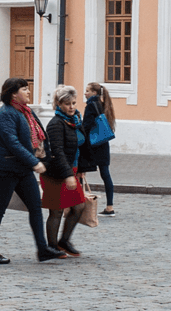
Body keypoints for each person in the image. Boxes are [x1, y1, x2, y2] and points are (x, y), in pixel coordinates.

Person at [0, 77, 64, 264]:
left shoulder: (26, 112)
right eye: (25, 89)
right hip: (4, 169)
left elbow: (38, 138)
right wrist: (34, 163)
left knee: (35, 207)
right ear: (13, 94)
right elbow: (13, 144)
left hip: (22, 169)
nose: (28, 92)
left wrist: (44, 158)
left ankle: (42, 249)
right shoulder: (6, 114)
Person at [42, 85, 87, 257]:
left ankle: (64, 241)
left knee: (79, 206)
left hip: (72, 170)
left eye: (74, 103)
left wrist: (80, 169)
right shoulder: (55, 124)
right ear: (59, 104)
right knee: (56, 210)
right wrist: (68, 174)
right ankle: (52, 246)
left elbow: (81, 147)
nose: (71, 107)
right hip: (56, 172)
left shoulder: (75, 121)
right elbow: (57, 151)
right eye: (67, 104)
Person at [78, 82, 117, 215]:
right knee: (105, 174)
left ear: (94, 93)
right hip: (103, 144)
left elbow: (86, 126)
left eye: (87, 90)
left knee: (81, 172)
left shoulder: (90, 106)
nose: (85, 93)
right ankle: (110, 207)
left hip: (91, 145)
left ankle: (79, 204)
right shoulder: (103, 105)